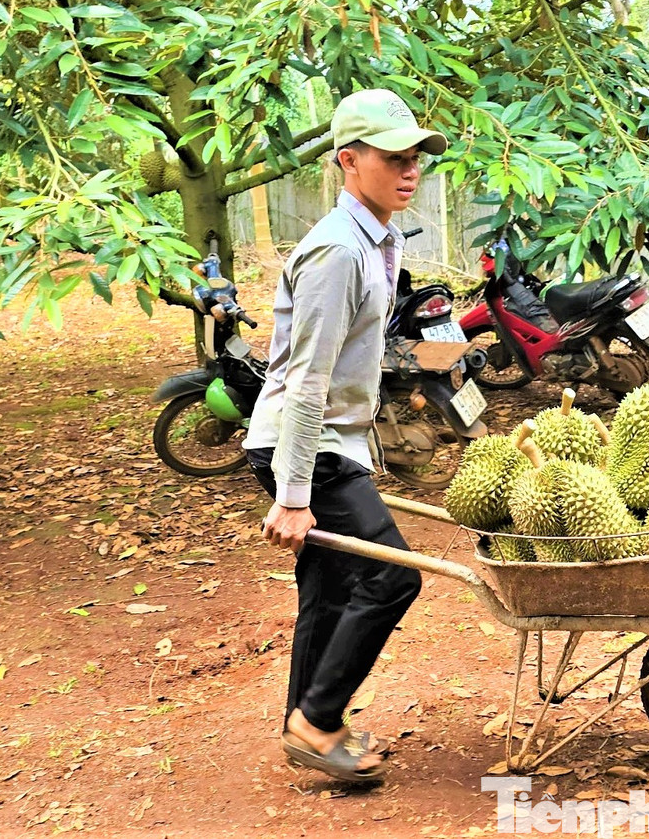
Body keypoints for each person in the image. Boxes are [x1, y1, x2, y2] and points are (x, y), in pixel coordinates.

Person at [243, 88, 447, 783]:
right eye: (393, 156)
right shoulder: (337, 252)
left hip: (328, 442)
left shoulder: (375, 239)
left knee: (329, 589)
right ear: (348, 161)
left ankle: (305, 721)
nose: (410, 167)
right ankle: (319, 721)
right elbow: (306, 380)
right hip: (307, 445)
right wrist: (295, 493)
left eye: (415, 154)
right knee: (391, 577)